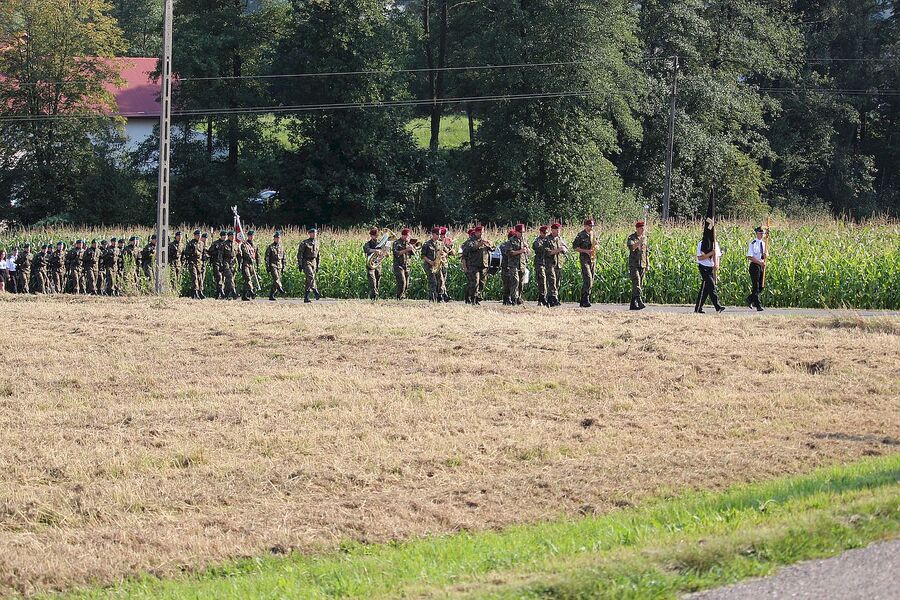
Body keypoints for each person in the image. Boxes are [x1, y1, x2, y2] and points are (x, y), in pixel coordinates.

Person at [462, 225, 493, 305]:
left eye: (482, 232)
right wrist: (480, 244)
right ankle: (473, 298)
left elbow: (493, 249)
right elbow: (471, 248)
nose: (481, 234)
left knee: (482, 283)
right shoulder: (471, 240)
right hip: (473, 265)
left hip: (483, 265)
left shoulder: (485, 241)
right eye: (480, 232)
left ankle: (477, 296)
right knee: (474, 282)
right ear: (476, 232)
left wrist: (490, 244)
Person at [695, 237, 725, 314]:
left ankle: (698, 308)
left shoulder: (715, 244)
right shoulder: (701, 244)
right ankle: (718, 307)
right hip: (703, 267)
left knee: (705, 289)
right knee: (711, 286)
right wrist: (710, 253)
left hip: (711, 268)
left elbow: (717, 256)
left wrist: (717, 265)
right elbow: (700, 258)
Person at [572, 219, 596, 307]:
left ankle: (583, 300)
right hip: (584, 259)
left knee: (591, 279)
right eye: (590, 226)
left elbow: (596, 243)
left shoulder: (593, 234)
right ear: (585, 226)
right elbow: (575, 247)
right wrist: (586, 251)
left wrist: (596, 246)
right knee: (588, 278)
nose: (591, 228)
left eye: (592, 226)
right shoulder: (580, 235)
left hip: (592, 259)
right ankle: (586, 298)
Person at [626, 221, 648, 310]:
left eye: (644, 228)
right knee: (636, 283)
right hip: (634, 264)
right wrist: (639, 241)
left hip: (642, 264)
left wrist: (647, 264)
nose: (643, 230)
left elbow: (646, 252)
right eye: (641, 228)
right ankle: (639, 301)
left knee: (639, 285)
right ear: (637, 228)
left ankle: (633, 305)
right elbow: (632, 247)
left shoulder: (645, 238)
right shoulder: (632, 237)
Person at [746, 225, 767, 311]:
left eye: (763, 233)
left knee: (761, 286)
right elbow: (750, 256)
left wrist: (765, 256)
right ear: (756, 234)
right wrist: (759, 263)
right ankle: (758, 305)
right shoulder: (753, 243)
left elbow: (764, 255)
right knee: (756, 286)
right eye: (760, 233)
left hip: (761, 266)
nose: (761, 235)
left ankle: (750, 299)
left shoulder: (764, 244)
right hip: (755, 266)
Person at [392, 228, 416, 300]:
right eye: (408, 236)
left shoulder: (408, 244)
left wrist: (412, 248)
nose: (409, 237)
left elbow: (414, 254)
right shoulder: (396, 243)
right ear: (404, 235)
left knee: (407, 285)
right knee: (402, 282)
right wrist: (406, 249)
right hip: (398, 265)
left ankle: (403, 297)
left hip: (407, 266)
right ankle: (399, 297)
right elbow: (396, 253)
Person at [298, 226, 321, 303]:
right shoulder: (304, 243)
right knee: (310, 276)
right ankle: (315, 290)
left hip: (313, 261)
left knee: (309, 280)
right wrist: (300, 264)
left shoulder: (317, 242)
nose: (314, 234)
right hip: (306, 261)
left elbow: (318, 255)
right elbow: (300, 254)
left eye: (315, 233)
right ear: (309, 234)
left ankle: (306, 297)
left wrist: (318, 265)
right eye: (312, 233)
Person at [545, 223, 565, 307]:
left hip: (558, 263)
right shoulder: (547, 240)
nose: (558, 231)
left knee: (557, 282)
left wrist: (564, 249)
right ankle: (554, 299)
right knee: (552, 281)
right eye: (557, 229)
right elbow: (548, 252)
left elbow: (565, 247)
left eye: (559, 229)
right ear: (552, 230)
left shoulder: (559, 239)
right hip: (550, 264)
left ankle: (550, 298)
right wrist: (558, 250)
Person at [507, 224, 528, 305]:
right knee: (515, 281)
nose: (522, 234)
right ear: (516, 232)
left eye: (523, 232)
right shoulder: (511, 241)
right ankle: (513, 298)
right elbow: (509, 252)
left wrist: (527, 250)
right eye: (520, 232)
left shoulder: (524, 240)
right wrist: (520, 251)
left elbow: (527, 251)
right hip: (513, 264)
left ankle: (519, 297)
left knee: (521, 283)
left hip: (522, 264)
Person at [420, 227, 441, 302]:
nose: (439, 236)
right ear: (433, 234)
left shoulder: (439, 243)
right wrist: (430, 262)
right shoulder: (427, 244)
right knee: (433, 282)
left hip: (437, 265)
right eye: (437, 234)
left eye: (440, 234)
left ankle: (438, 297)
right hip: (429, 265)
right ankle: (432, 298)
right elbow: (423, 255)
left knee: (439, 281)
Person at [362, 228, 384, 300]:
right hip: (370, 265)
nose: (376, 237)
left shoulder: (380, 244)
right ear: (371, 235)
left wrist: (384, 254)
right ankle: (373, 296)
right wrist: (375, 250)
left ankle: (375, 297)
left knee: (377, 280)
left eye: (377, 235)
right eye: (374, 235)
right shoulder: (368, 244)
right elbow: (367, 250)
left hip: (378, 264)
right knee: (372, 281)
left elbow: (384, 252)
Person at [183, 230, 205, 299]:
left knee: (200, 278)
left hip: (199, 263)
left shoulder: (201, 243)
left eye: (200, 235)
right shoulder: (190, 243)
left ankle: (200, 291)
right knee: (194, 277)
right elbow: (186, 253)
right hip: (192, 262)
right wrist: (191, 251)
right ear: (194, 235)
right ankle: (195, 292)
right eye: (197, 235)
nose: (199, 236)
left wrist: (205, 257)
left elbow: (203, 252)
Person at [265, 231, 287, 301]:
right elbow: (267, 258)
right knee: (276, 278)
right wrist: (267, 266)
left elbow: (284, 258)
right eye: (276, 238)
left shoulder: (281, 247)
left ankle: (271, 295)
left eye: (278, 238)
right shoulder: (270, 247)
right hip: (273, 265)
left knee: (276, 281)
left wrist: (284, 266)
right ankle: (281, 290)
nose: (277, 239)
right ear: (274, 239)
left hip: (279, 265)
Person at [532, 225, 550, 307]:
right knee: (542, 281)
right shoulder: (537, 240)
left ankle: (541, 299)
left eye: (546, 233)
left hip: (547, 263)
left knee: (547, 281)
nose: (545, 234)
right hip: (540, 264)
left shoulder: (548, 240)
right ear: (540, 232)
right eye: (544, 233)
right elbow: (538, 247)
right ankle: (543, 298)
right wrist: (546, 245)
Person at [239, 230, 259, 301]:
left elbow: (257, 255)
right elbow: (244, 252)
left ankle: (244, 295)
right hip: (246, 263)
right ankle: (251, 292)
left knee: (247, 281)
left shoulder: (255, 244)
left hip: (252, 264)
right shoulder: (244, 244)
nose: (251, 237)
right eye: (250, 236)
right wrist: (249, 257)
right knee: (248, 278)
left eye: (252, 236)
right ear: (247, 236)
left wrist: (257, 264)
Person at [219, 231, 238, 300]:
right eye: (231, 236)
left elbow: (237, 254)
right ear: (229, 236)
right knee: (230, 277)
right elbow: (220, 255)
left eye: (234, 236)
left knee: (229, 280)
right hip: (225, 262)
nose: (233, 237)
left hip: (233, 263)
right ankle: (234, 292)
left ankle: (226, 294)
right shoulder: (224, 244)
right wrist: (221, 264)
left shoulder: (236, 244)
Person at [208, 231, 227, 299]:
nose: (225, 237)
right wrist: (215, 250)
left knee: (223, 278)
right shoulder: (215, 243)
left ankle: (217, 293)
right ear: (221, 236)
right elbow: (210, 252)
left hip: (224, 263)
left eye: (225, 236)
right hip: (216, 262)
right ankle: (221, 292)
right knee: (218, 277)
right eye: (223, 236)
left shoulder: (226, 244)